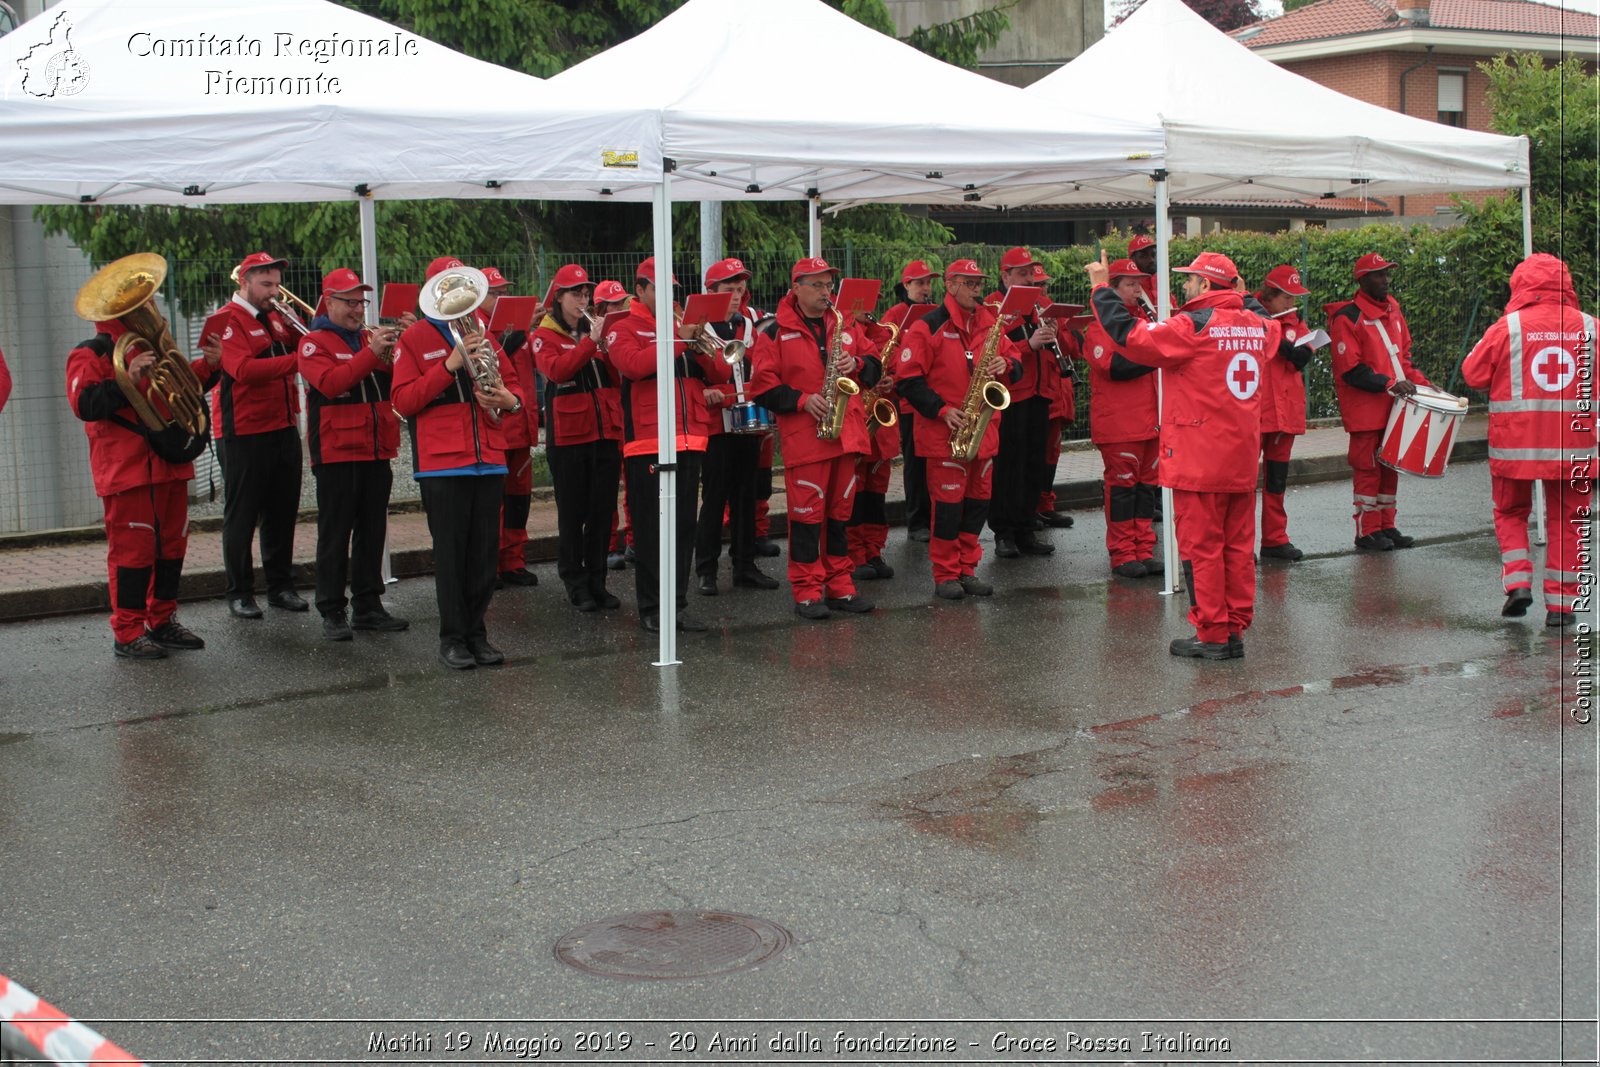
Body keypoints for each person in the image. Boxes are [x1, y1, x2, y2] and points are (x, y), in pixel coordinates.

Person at [1086, 250, 1280, 661]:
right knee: (1238, 547)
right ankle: (1234, 630)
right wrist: (1242, 297)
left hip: (1198, 458)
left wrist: (1101, 288)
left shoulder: (1192, 325)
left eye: (1191, 279)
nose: (1185, 286)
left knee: (1201, 548)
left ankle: (1211, 633)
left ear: (1207, 285)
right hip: (1242, 456)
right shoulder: (1260, 326)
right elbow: (1270, 327)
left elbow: (1129, 335)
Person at [391, 257, 526, 669]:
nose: (458, 298)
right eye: (447, 288)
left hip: (489, 458)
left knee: (485, 556)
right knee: (452, 556)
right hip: (442, 463)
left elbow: (515, 387)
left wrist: (510, 400)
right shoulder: (413, 339)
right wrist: (448, 365)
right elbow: (403, 401)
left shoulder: (484, 333)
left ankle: (477, 633)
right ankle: (453, 637)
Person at [66, 303, 219, 658]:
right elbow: (84, 404)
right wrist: (126, 380)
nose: (148, 307)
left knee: (172, 547)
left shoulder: (153, 347)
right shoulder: (90, 352)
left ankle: (162, 620)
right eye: (135, 304)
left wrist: (209, 367)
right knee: (132, 554)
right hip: (127, 468)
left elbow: (182, 387)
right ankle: (128, 631)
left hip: (167, 461)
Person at [1460, 253, 1595, 628]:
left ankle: (1518, 584)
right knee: (1569, 520)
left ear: (1521, 285)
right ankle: (1562, 605)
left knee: (1510, 513)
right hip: (1575, 447)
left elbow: (1472, 373)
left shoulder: (1508, 327)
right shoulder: (1591, 328)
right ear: (1566, 284)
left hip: (1516, 445)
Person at [749, 256, 881, 619]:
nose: (827, 292)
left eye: (829, 285)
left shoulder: (845, 323)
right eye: (818, 285)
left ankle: (840, 586)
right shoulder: (773, 332)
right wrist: (803, 400)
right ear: (797, 288)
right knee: (807, 519)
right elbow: (762, 387)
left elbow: (876, 365)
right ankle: (807, 591)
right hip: (806, 438)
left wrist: (858, 365)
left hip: (845, 434)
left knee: (840, 516)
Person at [606, 257, 732, 633]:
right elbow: (633, 365)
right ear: (640, 290)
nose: (668, 297)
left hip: (690, 438)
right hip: (648, 442)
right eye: (659, 289)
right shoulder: (623, 328)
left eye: (672, 291)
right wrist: (681, 339)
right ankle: (651, 608)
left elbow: (723, 370)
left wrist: (698, 343)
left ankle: (676, 606)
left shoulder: (684, 330)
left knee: (682, 531)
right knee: (650, 531)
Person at [894, 259, 1022, 601]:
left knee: (977, 507)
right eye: (970, 283)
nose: (978, 289)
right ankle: (946, 574)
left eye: (980, 283)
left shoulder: (990, 322)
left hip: (984, 432)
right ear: (951, 285)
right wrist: (941, 410)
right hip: (944, 433)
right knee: (948, 510)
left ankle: (967, 569)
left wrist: (1006, 363)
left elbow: (1017, 364)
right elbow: (906, 379)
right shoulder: (927, 326)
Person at [297, 267, 411, 641]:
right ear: (328, 302)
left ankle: (367, 605)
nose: (357, 310)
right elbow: (331, 384)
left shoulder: (367, 337)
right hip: (337, 450)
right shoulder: (313, 342)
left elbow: (398, 379)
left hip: (376, 446)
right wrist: (371, 352)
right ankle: (331, 608)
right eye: (348, 302)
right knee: (335, 532)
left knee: (372, 530)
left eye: (360, 302)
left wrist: (406, 343)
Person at [211, 251, 306, 619]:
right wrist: (304, 358)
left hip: (283, 424)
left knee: (282, 511)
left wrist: (307, 338)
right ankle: (239, 591)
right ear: (244, 281)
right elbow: (243, 370)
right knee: (242, 514)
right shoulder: (228, 321)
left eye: (277, 284)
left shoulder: (277, 317)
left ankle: (281, 586)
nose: (274, 292)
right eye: (266, 284)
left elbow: (304, 345)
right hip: (244, 430)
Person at [532, 264, 624, 612]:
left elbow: (617, 377)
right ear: (558, 298)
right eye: (576, 294)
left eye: (586, 294)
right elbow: (558, 370)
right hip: (569, 438)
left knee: (602, 512)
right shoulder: (543, 335)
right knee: (573, 515)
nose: (583, 300)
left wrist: (609, 346)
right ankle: (575, 582)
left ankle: (598, 581)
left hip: (604, 432)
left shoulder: (593, 331)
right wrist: (591, 343)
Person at [1327, 253, 1431, 550]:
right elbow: (1351, 370)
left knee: (1390, 468)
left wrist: (1424, 384)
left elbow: (1403, 359)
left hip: (1394, 407)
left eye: (1387, 273)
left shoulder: (1393, 310)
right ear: (1361, 280)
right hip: (1365, 411)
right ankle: (1366, 532)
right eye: (1378, 275)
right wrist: (1390, 384)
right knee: (1368, 469)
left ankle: (1386, 525)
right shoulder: (1347, 317)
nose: (1385, 280)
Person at [694, 257, 780, 596]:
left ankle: (745, 565)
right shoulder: (697, 326)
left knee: (746, 496)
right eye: (729, 288)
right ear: (711, 290)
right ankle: (706, 569)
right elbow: (686, 373)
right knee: (714, 498)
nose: (737, 293)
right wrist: (706, 391)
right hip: (715, 423)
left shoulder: (750, 323)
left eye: (740, 287)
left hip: (748, 420)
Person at [1082, 258, 1160, 578]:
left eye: (1139, 282)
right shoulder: (1099, 325)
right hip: (1120, 423)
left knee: (1146, 489)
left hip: (1150, 421)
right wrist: (1158, 357)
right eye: (1129, 283)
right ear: (1111, 289)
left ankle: (1143, 549)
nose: (1138, 288)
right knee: (1123, 488)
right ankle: (1123, 553)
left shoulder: (1144, 321)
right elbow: (1114, 368)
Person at [987, 247, 1060, 559]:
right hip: (1013, 394)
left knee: (1033, 464)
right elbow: (991, 349)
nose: (1030, 279)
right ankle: (1003, 532)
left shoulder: (1041, 304)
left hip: (1040, 392)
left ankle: (1026, 527)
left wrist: (1057, 333)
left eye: (1031, 273)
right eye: (1022, 273)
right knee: (1007, 466)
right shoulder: (993, 306)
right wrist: (1027, 345)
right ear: (1005, 276)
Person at [481, 266, 540, 589]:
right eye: (495, 292)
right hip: (499, 429)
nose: (501, 297)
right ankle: (491, 564)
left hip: (522, 427)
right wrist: (518, 333)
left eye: (504, 292)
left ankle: (513, 562)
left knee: (519, 501)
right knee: (495, 503)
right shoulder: (476, 326)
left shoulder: (517, 327)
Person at [1254, 265, 1315, 561]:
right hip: (1255, 413)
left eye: (1294, 298)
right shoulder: (1251, 317)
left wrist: (1303, 352)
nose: (1291, 304)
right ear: (1270, 295)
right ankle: (1239, 545)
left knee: (1276, 482)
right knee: (1240, 484)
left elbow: (1299, 357)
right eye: (1286, 298)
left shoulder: (1294, 321)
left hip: (1283, 414)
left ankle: (1275, 539)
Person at [887, 260, 938, 542]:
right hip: (909, 400)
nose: (926, 288)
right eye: (919, 283)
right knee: (915, 462)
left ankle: (933, 517)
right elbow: (888, 349)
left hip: (933, 396)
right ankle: (917, 520)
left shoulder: (936, 312)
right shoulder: (894, 314)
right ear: (906, 285)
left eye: (928, 283)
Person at [1033, 262, 1078, 530]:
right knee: (1036, 453)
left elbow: (1072, 348)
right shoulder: (1021, 309)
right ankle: (1033, 507)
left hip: (1059, 391)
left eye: (1043, 284)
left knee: (1052, 452)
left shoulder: (1054, 310)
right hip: (1040, 392)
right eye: (1037, 285)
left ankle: (1046, 506)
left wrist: (1057, 328)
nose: (1041, 289)